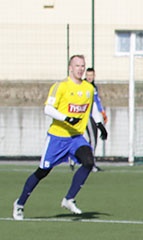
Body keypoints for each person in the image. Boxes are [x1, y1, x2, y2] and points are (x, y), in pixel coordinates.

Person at [13, 55, 99, 220]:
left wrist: (100, 124)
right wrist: (67, 118)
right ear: (70, 68)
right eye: (77, 66)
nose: (80, 69)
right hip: (57, 138)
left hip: (76, 138)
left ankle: (69, 199)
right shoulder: (60, 86)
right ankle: (20, 203)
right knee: (43, 171)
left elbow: (90, 109)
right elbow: (48, 109)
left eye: (83, 66)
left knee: (88, 162)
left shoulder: (88, 88)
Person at [84, 67, 109, 170]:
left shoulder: (94, 87)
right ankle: (90, 165)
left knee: (93, 140)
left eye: (91, 75)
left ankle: (89, 163)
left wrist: (102, 113)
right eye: (88, 75)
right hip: (85, 116)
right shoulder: (83, 86)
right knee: (92, 140)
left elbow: (96, 101)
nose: (89, 77)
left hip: (92, 115)